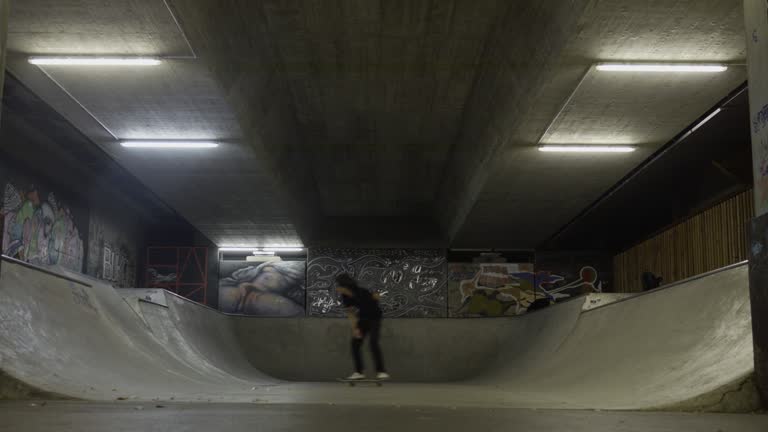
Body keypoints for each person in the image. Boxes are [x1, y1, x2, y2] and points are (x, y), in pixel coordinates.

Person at [335, 273, 389, 380]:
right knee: (355, 344)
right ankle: (359, 372)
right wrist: (355, 329)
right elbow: (350, 313)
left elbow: (375, 298)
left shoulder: (362, 292)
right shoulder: (345, 297)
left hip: (375, 317)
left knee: (373, 342)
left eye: (339, 286)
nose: (337, 289)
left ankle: (381, 371)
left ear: (345, 286)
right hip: (363, 319)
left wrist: (376, 296)